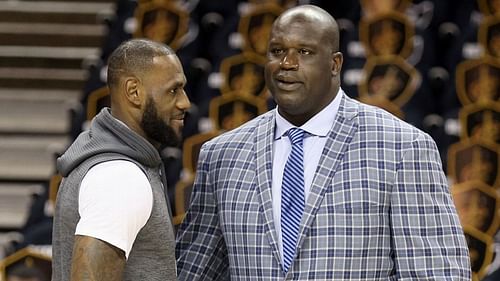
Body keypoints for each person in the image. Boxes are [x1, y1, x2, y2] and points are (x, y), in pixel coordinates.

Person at [176, 5, 471, 280]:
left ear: (335, 64)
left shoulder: (404, 148)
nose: (287, 63)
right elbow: (195, 271)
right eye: (277, 51)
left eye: (304, 52)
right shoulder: (221, 155)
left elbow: (437, 273)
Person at [52, 39, 190, 281]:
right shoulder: (121, 177)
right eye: (173, 90)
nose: (184, 102)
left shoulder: (107, 161)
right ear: (134, 92)